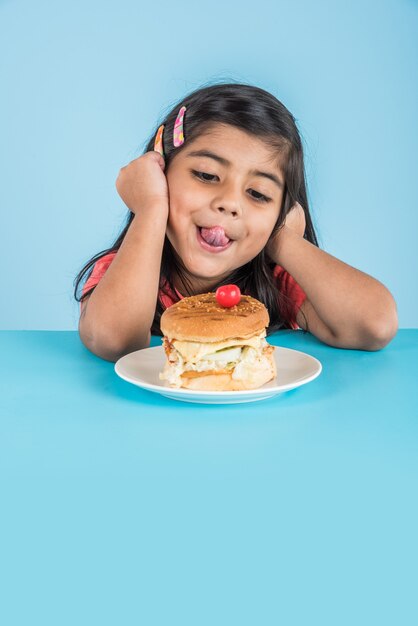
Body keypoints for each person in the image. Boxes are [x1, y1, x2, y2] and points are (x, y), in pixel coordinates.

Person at [74, 82, 398, 362]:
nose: (230, 203)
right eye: (206, 175)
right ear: (159, 171)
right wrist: (151, 210)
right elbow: (114, 340)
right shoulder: (125, 268)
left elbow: (376, 325)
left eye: (258, 194)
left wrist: (282, 239)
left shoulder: (276, 284)